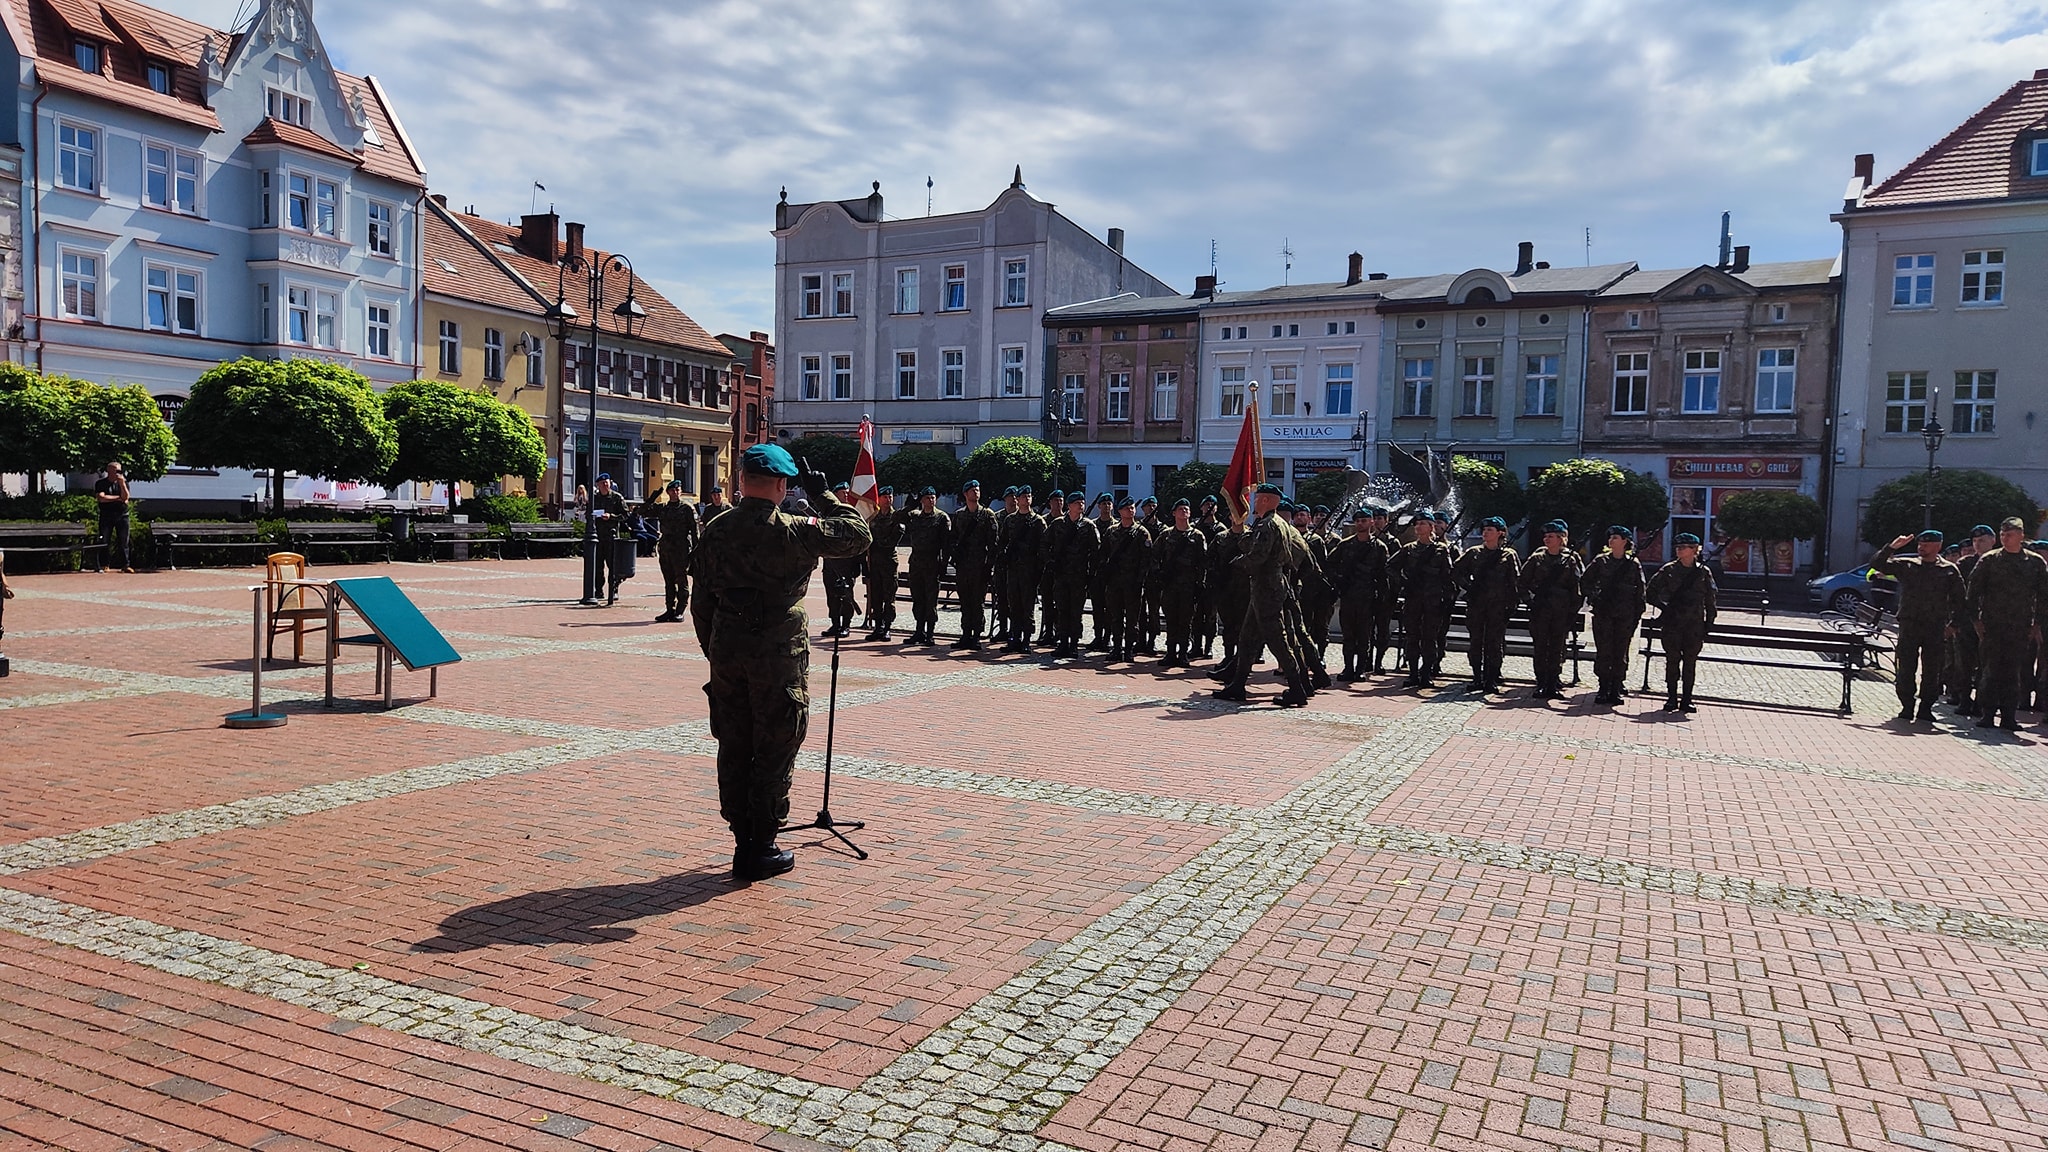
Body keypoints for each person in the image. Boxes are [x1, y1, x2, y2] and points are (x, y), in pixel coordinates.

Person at [692, 444, 870, 880]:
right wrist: (823, 495)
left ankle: (742, 840)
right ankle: (763, 845)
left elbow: (701, 602)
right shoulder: (794, 530)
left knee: (734, 743)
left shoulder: (716, 529)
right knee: (776, 744)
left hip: (728, 650)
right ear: (782, 485)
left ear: (741, 481)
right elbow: (857, 534)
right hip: (778, 654)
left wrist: (715, 650)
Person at [1215, 484, 1309, 707]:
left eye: (1257, 499)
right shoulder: (1275, 522)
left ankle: (1297, 689)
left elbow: (1258, 556)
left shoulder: (1269, 524)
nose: (1254, 502)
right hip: (1265, 586)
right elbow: (1253, 545)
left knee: (1278, 640)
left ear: (1266, 500)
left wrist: (1236, 564)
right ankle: (1238, 685)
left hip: (1268, 587)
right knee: (1247, 638)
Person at [1870, 530, 1966, 725]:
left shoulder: (1949, 570)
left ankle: (1925, 707)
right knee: (1905, 668)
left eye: (1927, 544)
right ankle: (1907, 705)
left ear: (1938, 546)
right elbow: (1877, 565)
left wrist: (1954, 624)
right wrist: (1892, 547)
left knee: (1932, 670)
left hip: (1935, 627)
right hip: (1910, 624)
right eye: (1920, 544)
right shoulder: (1907, 565)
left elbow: (1960, 600)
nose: (1921, 547)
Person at [1968, 517, 2048, 732]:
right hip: (1992, 626)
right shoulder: (1990, 559)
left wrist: (2037, 624)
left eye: (2009, 534)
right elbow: (1973, 592)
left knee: (2013, 672)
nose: (2005, 538)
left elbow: (2043, 596)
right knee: (1990, 670)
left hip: (2020, 627)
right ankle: (1987, 713)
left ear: (2021, 535)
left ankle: (2008, 716)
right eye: (2002, 534)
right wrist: (1976, 620)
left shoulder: (2035, 562)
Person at [1646, 532, 1717, 713]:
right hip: (1673, 624)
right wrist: (1664, 607)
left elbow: (1710, 599)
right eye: (1677, 547)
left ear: (1694, 550)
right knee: (1672, 661)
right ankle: (1671, 698)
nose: (1679, 550)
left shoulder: (1703, 572)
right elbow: (1650, 592)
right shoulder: (1669, 570)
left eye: (1683, 547)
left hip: (1694, 625)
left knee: (1690, 663)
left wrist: (1709, 622)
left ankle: (1687, 699)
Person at [1453, 516, 1520, 694]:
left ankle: (1491, 679)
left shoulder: (1508, 555)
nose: (1485, 532)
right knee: (1476, 642)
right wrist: (1468, 586)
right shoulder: (1473, 553)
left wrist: (1512, 604)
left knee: (1494, 643)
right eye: (1484, 529)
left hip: (1497, 607)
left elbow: (1514, 581)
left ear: (1500, 533)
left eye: (1490, 529)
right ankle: (1477, 677)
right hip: (1477, 605)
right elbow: (1456, 571)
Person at [1390, 513, 1457, 689]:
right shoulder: (1408, 549)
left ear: (1431, 527)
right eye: (1417, 524)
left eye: (1422, 523)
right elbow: (1390, 567)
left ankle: (1426, 673)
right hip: (1413, 599)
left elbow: (1448, 575)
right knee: (1412, 637)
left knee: (1430, 638)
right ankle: (1413, 673)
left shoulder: (1441, 550)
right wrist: (1403, 582)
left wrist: (1447, 598)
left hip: (1433, 601)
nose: (1418, 527)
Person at [1521, 519, 1585, 701]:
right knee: (1541, 647)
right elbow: (1522, 582)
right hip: (1540, 611)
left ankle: (1552, 682)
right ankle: (1541, 682)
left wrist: (1572, 611)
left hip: (1561, 612)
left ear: (1561, 538)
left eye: (1551, 536)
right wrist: (1530, 602)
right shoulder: (1537, 559)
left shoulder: (1570, 560)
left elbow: (1577, 588)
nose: (1546, 539)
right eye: (1546, 536)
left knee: (1557, 647)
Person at [1583, 527, 1646, 705]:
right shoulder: (1600, 561)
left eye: (1616, 537)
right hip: (1604, 613)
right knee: (1604, 651)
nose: (1611, 540)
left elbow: (1640, 591)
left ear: (1625, 541)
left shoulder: (1633, 564)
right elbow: (1585, 582)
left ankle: (1616, 688)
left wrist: (1637, 614)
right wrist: (1594, 597)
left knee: (1620, 652)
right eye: (1610, 537)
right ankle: (1603, 688)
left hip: (1624, 615)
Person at [1330, 508, 1389, 681]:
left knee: (1364, 636)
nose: (1360, 524)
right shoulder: (1345, 544)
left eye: (1364, 520)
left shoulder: (1379, 547)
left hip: (1368, 598)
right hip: (1348, 596)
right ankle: (1348, 668)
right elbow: (1330, 563)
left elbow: (1383, 574)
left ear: (1371, 522)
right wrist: (1338, 580)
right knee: (1348, 635)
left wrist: (1382, 598)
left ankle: (1360, 669)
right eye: (1357, 521)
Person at [1045, 492, 1100, 657]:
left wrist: (1091, 572)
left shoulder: (1088, 526)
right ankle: (1062, 642)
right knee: (1062, 610)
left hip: (1079, 576)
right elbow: (1044, 544)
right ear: (1069, 506)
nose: (1081, 505)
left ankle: (1074, 644)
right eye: (1077, 503)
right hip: (1061, 575)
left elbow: (1096, 551)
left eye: (1082, 502)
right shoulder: (1058, 524)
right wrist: (1050, 562)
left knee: (1076, 611)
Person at [1948, 524, 1995, 715]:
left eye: (1982, 540)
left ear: (1993, 541)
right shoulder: (1965, 563)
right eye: (1975, 541)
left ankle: (1981, 703)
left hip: (1991, 622)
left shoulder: (1999, 561)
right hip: (1966, 622)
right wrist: (1955, 620)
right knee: (1964, 664)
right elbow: (1954, 594)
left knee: (1987, 665)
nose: (1977, 544)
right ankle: (1964, 700)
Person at [1155, 499, 1208, 667]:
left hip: (1188, 585)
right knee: (1171, 620)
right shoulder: (1166, 535)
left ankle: (1183, 653)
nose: (1184, 511)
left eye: (1186, 509)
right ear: (1174, 513)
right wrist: (1159, 575)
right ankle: (1170, 652)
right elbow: (1154, 556)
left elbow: (1203, 562)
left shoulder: (1197, 536)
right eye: (1180, 509)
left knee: (1186, 621)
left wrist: (1200, 583)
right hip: (1170, 585)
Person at [1098, 498, 1152, 662]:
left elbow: (1146, 559)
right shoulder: (1111, 531)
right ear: (1120, 511)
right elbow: (1103, 554)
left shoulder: (1142, 533)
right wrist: (1105, 573)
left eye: (1132, 508)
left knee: (1132, 618)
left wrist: (1140, 580)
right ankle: (1116, 648)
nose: (1131, 510)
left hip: (1133, 582)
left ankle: (1129, 650)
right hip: (1114, 582)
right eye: (1127, 508)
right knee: (1115, 616)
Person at [949, 480, 999, 650]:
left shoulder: (987, 515)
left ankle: (976, 635)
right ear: (965, 494)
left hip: (979, 566)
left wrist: (988, 566)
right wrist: (955, 554)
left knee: (977, 602)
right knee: (965, 601)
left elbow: (993, 544)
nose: (976, 492)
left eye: (977, 490)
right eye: (972, 490)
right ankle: (965, 634)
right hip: (963, 566)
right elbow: (952, 538)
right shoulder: (959, 515)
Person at [998, 484, 1046, 652]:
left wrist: (1038, 569)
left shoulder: (1037, 521)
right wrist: (1004, 557)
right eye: (1023, 496)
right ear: (1017, 499)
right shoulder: (1010, 520)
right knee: (1014, 606)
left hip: (1029, 571)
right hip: (1013, 570)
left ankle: (1026, 640)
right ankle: (1014, 638)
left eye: (1029, 496)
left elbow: (1043, 547)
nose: (1027, 499)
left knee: (1027, 607)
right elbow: (1002, 541)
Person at [901, 486, 950, 646]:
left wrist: (943, 564)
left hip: (932, 564)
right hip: (916, 564)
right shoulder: (915, 516)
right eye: (928, 497)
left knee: (930, 600)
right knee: (918, 598)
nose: (931, 500)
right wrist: (911, 505)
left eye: (933, 497)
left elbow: (946, 544)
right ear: (922, 500)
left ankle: (930, 633)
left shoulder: (941, 517)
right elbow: (896, 518)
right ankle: (919, 631)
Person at [820, 481, 866, 638]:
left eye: (848, 492)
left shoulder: (852, 514)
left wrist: (860, 564)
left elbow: (860, 539)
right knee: (831, 595)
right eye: (843, 492)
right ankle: (835, 624)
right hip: (830, 561)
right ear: (835, 495)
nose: (846, 495)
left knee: (847, 595)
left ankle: (846, 625)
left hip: (847, 561)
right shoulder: (827, 513)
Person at [652, 482, 698, 623]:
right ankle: (669, 609)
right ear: (668, 492)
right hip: (666, 548)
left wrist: (696, 551)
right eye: (672, 490)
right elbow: (641, 512)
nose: (675, 492)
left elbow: (694, 531)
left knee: (681, 580)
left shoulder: (687, 508)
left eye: (678, 490)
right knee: (669, 581)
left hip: (681, 549)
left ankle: (680, 610)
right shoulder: (663, 508)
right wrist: (653, 497)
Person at [863, 486, 905, 641]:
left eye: (890, 497)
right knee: (876, 596)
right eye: (885, 497)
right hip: (875, 563)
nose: (888, 499)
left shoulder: (896, 517)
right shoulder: (873, 518)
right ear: (879, 499)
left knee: (889, 597)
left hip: (888, 563)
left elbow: (892, 541)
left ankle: (887, 627)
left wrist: (876, 543)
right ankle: (878, 626)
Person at [584, 474, 631, 605]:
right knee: (597, 565)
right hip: (597, 536)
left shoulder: (617, 497)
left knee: (613, 565)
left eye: (607, 482)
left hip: (611, 536)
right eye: (602, 483)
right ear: (598, 485)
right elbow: (588, 514)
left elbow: (626, 515)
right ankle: (599, 590)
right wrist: (593, 517)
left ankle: (614, 590)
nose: (605, 485)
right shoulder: (594, 498)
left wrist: (611, 516)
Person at [1192, 495, 1227, 659]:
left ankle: (1209, 646)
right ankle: (1196, 645)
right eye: (1206, 505)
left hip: (1213, 577)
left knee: (1211, 615)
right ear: (1201, 508)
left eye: (1212, 505)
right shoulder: (1195, 527)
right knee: (1196, 614)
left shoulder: (1220, 529)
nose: (1209, 507)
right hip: (1196, 576)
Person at [94, 462, 133, 573]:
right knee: (105, 540)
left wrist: (122, 484)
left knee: (124, 541)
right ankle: (104, 564)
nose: (119, 473)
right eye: (116, 471)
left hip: (122, 515)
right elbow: (101, 498)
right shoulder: (101, 483)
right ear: (109, 471)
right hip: (106, 515)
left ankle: (125, 565)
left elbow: (126, 497)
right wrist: (118, 498)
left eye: (120, 471)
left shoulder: (124, 483)